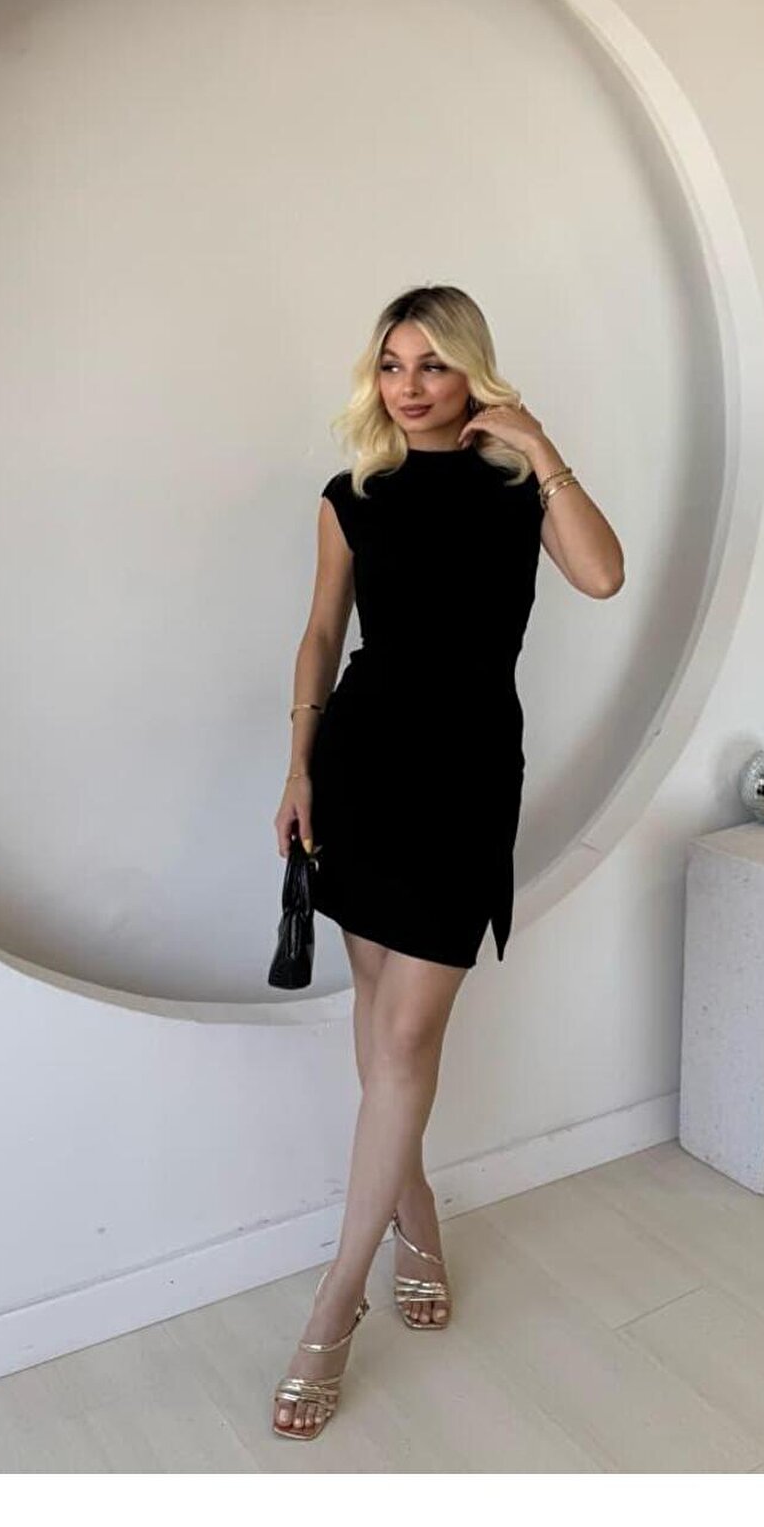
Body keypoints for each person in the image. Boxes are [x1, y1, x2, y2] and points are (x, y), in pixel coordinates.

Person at [269, 284, 625, 1439]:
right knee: (382, 1025)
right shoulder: (351, 497)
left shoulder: (520, 488)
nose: (409, 385)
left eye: (431, 363)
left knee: (407, 1036)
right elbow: (321, 635)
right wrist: (299, 768)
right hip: (361, 765)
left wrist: (543, 445)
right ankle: (415, 1217)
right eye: (391, 364)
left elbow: (604, 575)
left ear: (472, 369)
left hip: (466, 778)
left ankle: (335, 1304)